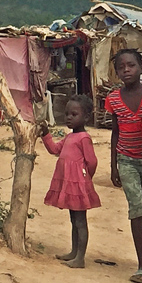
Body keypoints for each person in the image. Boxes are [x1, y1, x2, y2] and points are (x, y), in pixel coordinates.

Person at [106, 49, 142, 283]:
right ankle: (141, 265)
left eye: (131, 65)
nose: (126, 70)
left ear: (141, 67)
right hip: (126, 159)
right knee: (136, 209)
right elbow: (115, 132)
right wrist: (114, 166)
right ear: (116, 72)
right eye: (121, 67)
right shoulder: (113, 99)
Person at [40, 95, 100, 268]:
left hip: (78, 186)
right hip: (71, 186)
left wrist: (84, 180)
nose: (69, 118)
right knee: (74, 220)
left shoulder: (84, 138)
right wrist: (45, 134)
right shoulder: (69, 137)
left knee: (80, 221)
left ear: (86, 117)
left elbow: (92, 162)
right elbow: (54, 149)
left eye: (74, 114)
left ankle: (80, 258)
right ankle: (74, 252)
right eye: (67, 114)